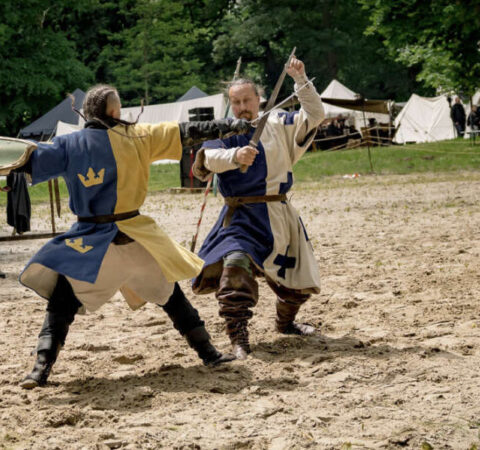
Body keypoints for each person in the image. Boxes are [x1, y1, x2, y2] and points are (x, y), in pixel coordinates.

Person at [17, 84, 251, 388]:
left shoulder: (68, 144)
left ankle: (39, 370)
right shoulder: (140, 136)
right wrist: (231, 126)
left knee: (62, 299)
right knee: (171, 296)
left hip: (90, 242)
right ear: (114, 112)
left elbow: (25, 162)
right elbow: (188, 131)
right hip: (136, 239)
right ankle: (209, 354)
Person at [190, 56, 325, 359]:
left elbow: (315, 114)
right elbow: (208, 159)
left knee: (298, 283)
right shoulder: (222, 130)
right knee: (235, 268)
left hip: (279, 215)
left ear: (258, 99)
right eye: (235, 102)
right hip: (239, 217)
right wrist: (235, 156)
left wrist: (301, 81)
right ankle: (238, 337)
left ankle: (285, 323)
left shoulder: (279, 124)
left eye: (246, 100)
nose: (241, 107)